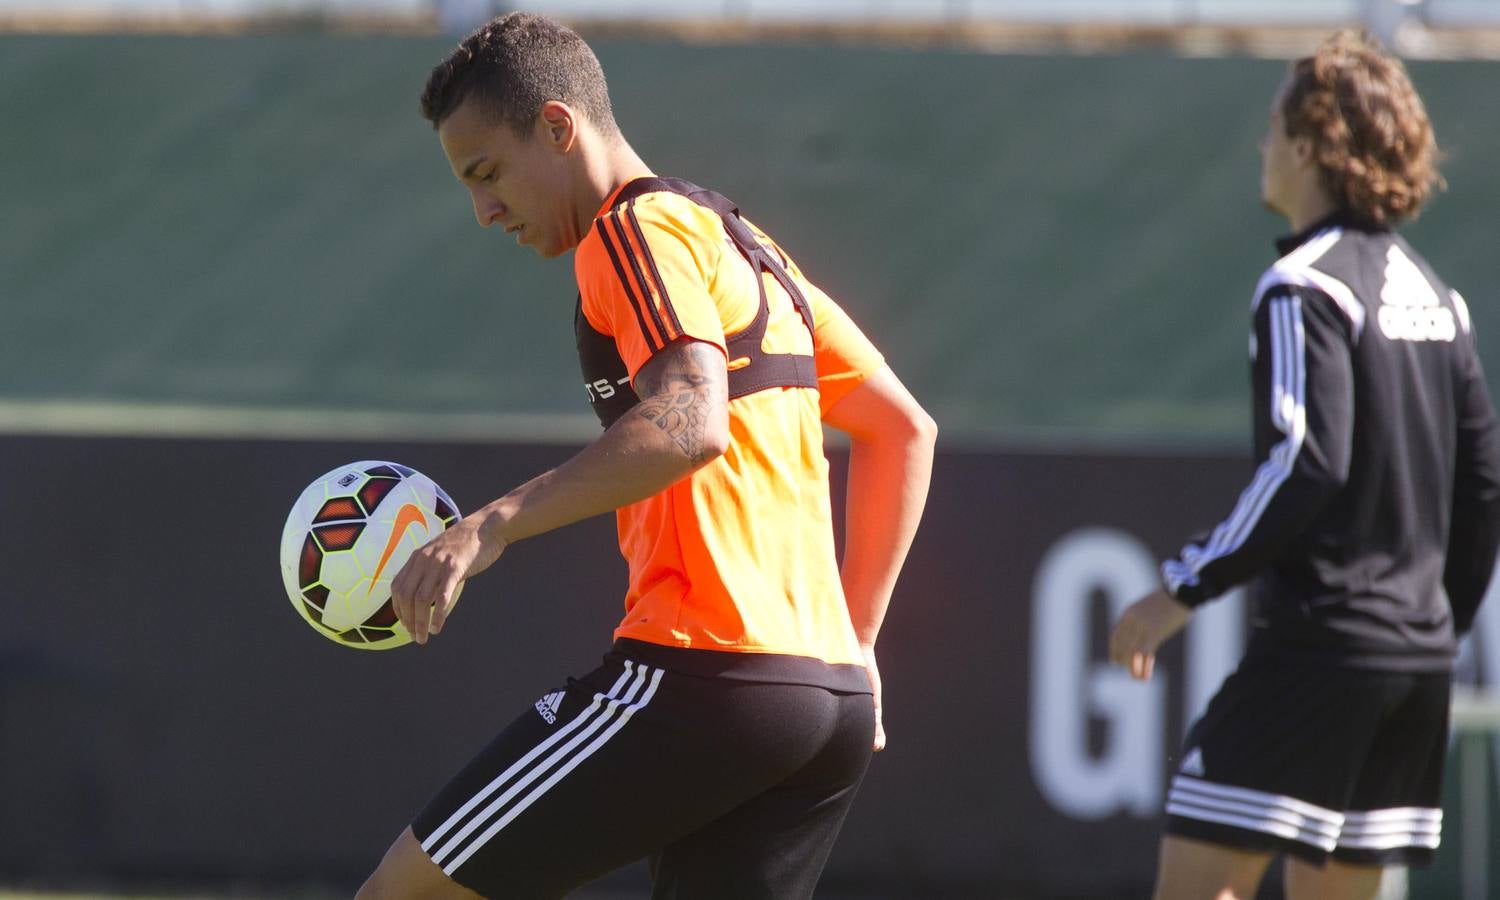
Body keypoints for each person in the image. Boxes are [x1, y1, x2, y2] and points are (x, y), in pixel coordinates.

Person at [356, 12, 937, 900]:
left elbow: (689, 422)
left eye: (488, 174)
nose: (484, 212)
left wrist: (491, 527)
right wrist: (854, 644)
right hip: (824, 709)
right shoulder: (747, 245)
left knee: (401, 895)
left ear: (558, 126)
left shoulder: (629, 234)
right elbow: (905, 431)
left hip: (707, 677)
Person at [1109, 30, 1500, 900]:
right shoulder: (1440, 296)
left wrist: (1181, 587)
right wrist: (1438, 629)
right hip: (1416, 662)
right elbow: (1484, 487)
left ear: (1313, 141)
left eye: (1274, 126)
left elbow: (1305, 462)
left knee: (1203, 882)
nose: (1263, 147)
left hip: (1322, 651)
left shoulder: (1303, 287)